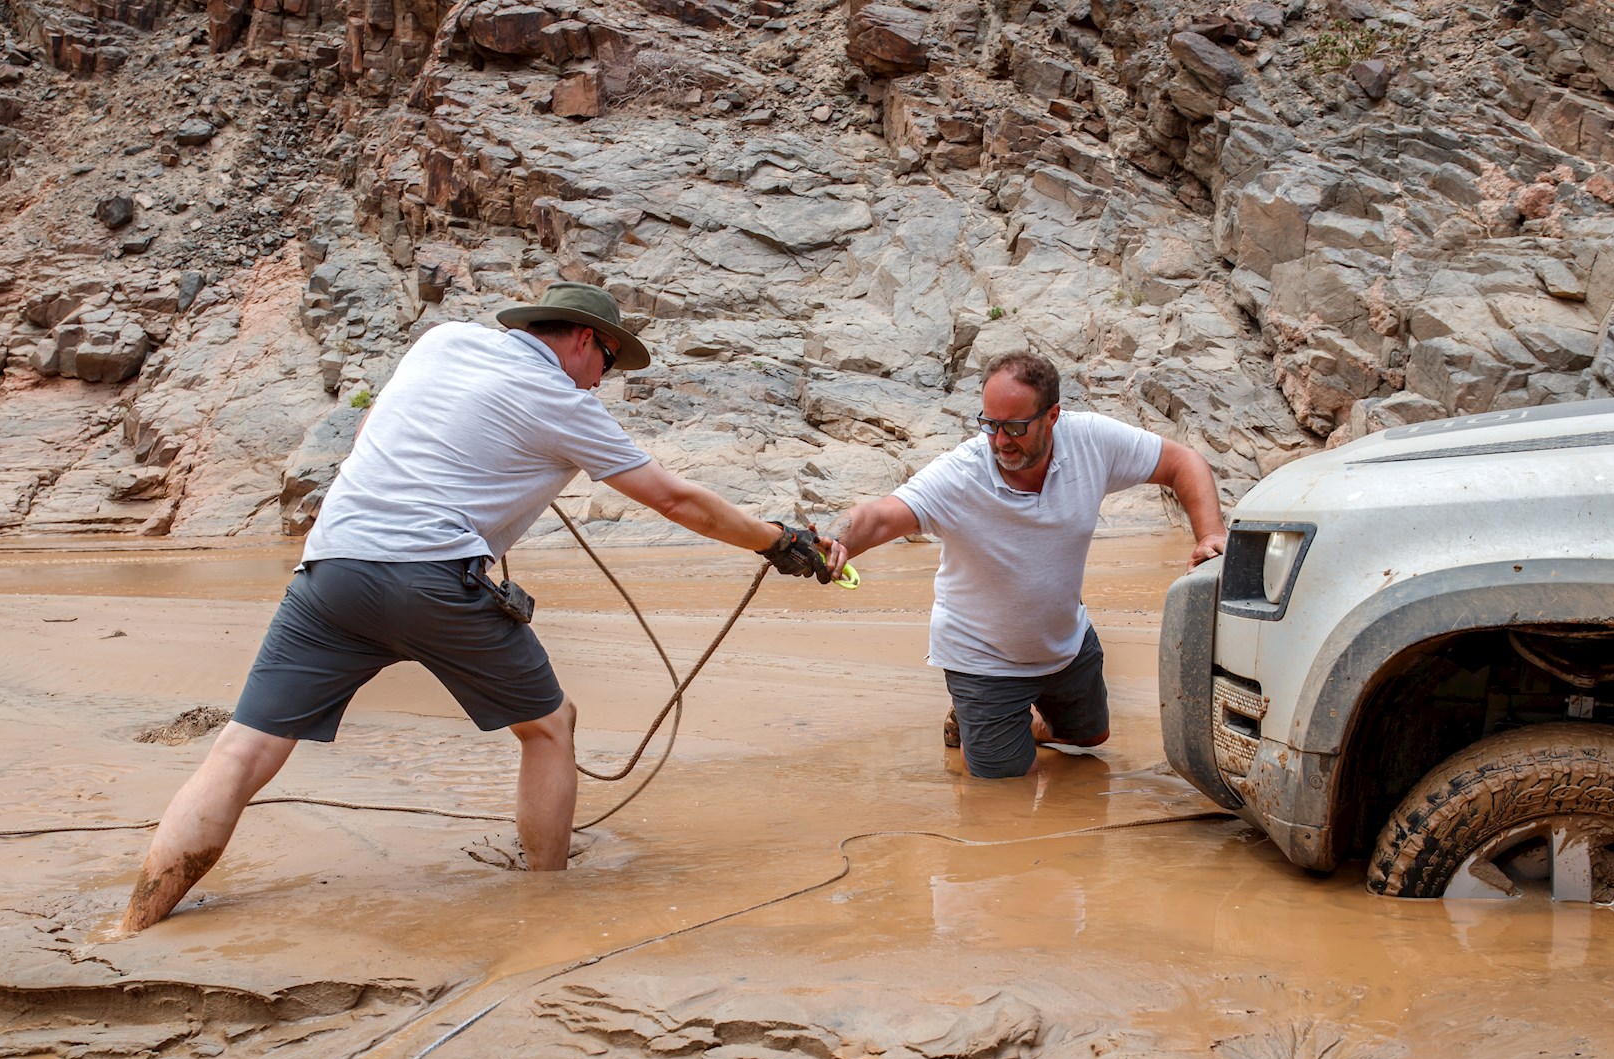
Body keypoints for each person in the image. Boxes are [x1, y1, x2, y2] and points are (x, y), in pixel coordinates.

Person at [119, 282, 835, 933]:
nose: (602, 381)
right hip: (430, 577)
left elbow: (371, 437)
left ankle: (134, 924)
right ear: (585, 340)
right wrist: (777, 541)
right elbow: (677, 501)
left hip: (331, 566)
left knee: (241, 750)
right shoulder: (565, 403)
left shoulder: (443, 341)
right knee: (550, 726)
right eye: (608, 363)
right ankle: (547, 901)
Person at [823, 350, 1226, 779]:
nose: (1000, 441)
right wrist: (834, 539)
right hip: (982, 657)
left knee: (1091, 738)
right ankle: (978, 722)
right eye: (990, 424)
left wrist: (1210, 536)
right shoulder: (961, 475)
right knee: (1006, 789)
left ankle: (1019, 725)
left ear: (1052, 416)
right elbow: (880, 516)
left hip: (1064, 642)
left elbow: (1183, 462)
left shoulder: (1091, 441)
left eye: (1014, 427)